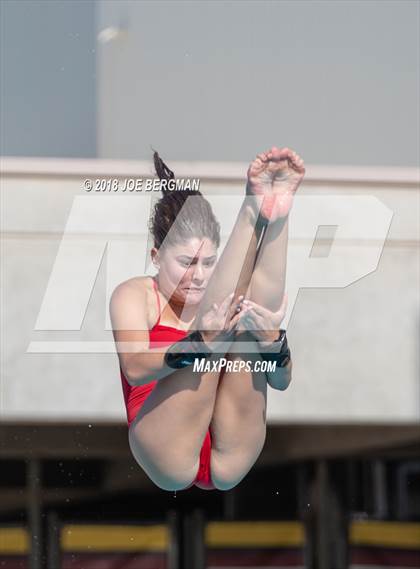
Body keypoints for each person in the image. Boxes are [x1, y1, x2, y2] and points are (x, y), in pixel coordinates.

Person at [110, 147, 305, 491]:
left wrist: (274, 342)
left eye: (207, 263)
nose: (197, 276)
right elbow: (136, 368)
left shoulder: (222, 299)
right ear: (156, 256)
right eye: (186, 262)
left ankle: (277, 210)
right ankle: (251, 207)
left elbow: (281, 380)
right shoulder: (135, 295)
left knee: (247, 320)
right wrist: (200, 342)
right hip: (165, 446)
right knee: (219, 329)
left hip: (231, 450)